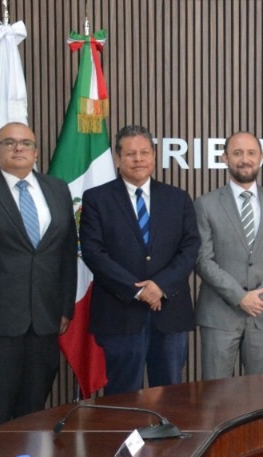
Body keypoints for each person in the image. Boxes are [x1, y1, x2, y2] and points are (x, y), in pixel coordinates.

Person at [0, 122, 77, 432]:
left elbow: (66, 253)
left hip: (44, 321)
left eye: (26, 143)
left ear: (36, 152)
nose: (18, 148)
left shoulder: (57, 189)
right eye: (9, 142)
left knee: (34, 412)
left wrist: (65, 307)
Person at [80, 125, 200, 395]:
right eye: (130, 154)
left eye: (144, 152)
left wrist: (160, 286)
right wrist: (139, 291)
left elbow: (190, 247)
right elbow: (93, 252)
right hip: (119, 314)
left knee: (171, 396)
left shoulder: (178, 198)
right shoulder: (97, 199)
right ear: (117, 158)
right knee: (122, 397)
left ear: (154, 156)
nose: (138, 159)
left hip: (169, 314)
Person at [194, 132, 263, 379]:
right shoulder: (205, 204)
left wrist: (261, 298)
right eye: (237, 153)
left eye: (251, 153)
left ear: (261, 157)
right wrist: (240, 297)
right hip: (219, 315)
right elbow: (203, 259)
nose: (244, 159)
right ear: (225, 158)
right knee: (215, 394)